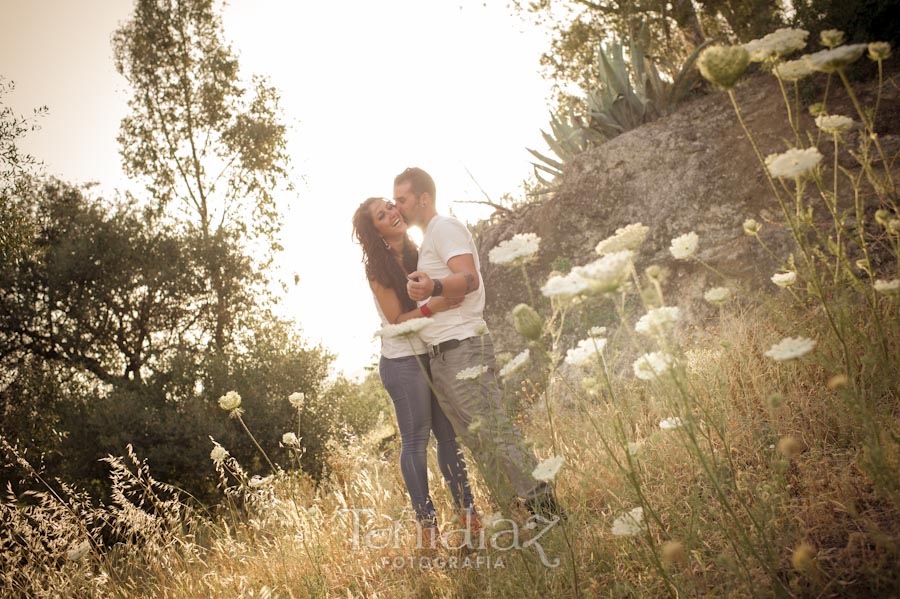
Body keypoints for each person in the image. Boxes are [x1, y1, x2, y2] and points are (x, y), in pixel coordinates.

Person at [392, 167, 564, 519]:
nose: (398, 208)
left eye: (402, 200)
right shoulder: (429, 240)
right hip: (444, 356)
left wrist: (434, 288)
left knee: (495, 432)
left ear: (423, 199)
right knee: (479, 442)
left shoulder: (444, 228)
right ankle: (520, 517)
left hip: (463, 348)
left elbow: (469, 277)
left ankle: (548, 511)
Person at [352, 196, 480, 547]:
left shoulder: (420, 251)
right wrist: (433, 306)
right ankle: (428, 531)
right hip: (402, 361)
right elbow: (396, 321)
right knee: (415, 441)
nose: (393, 212)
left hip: (432, 354)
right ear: (374, 230)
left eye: (391, 205)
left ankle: (470, 518)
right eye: (382, 214)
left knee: (448, 436)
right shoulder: (377, 269)